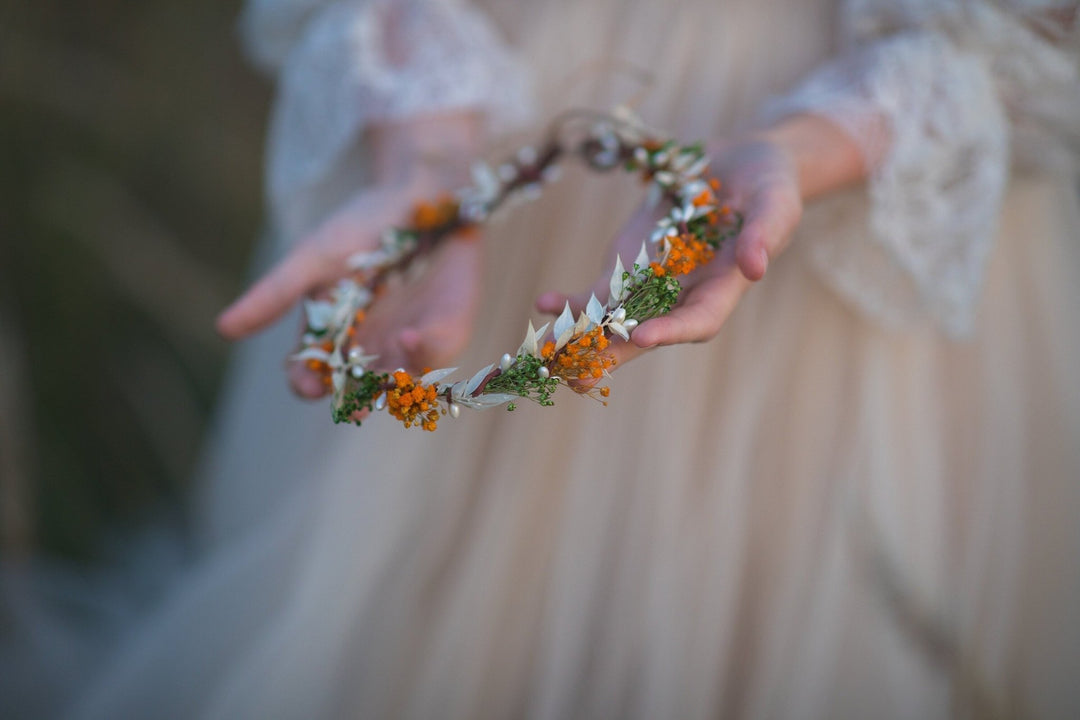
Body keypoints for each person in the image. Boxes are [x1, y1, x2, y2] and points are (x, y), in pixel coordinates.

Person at [32, 0, 1080, 717]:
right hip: (512, 88)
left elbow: (1036, 36)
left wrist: (803, 152)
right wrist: (431, 163)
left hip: (860, 186)